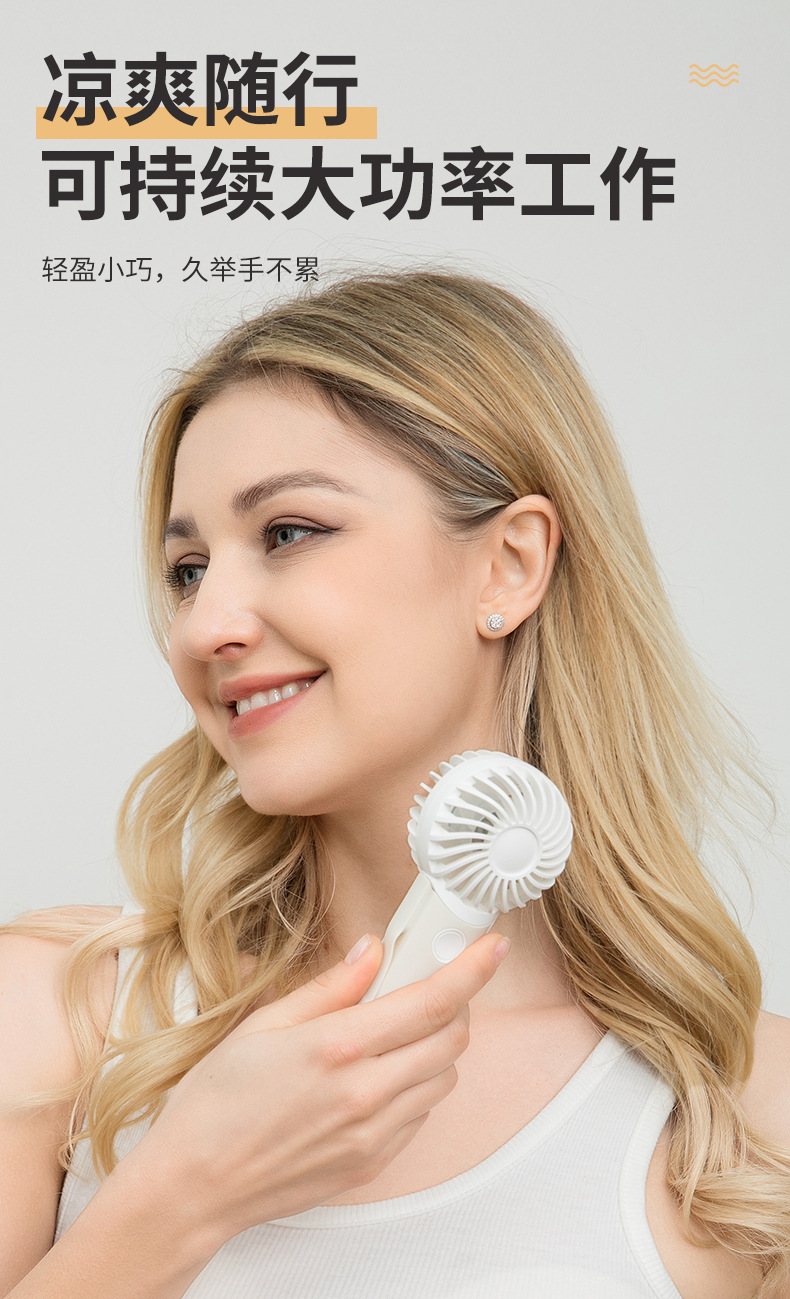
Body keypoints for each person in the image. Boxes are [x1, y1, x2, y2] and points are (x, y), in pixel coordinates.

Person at [1, 269, 788, 1299]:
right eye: (189, 569)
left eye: (288, 532)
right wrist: (184, 1191)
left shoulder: (743, 1121)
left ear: (509, 564)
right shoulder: (57, 1011)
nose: (203, 627)